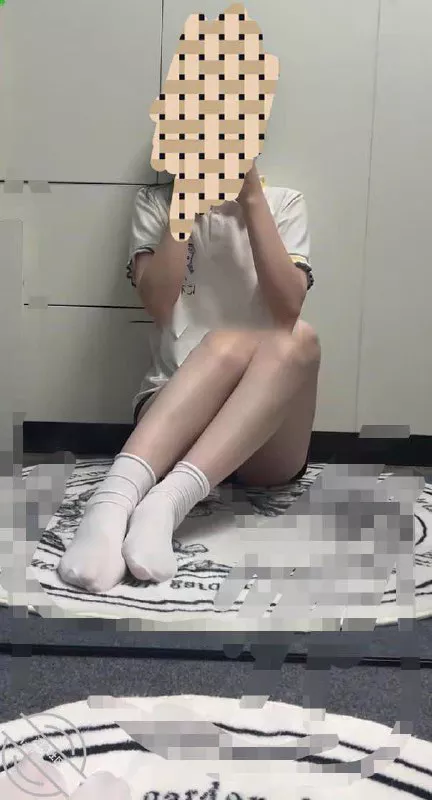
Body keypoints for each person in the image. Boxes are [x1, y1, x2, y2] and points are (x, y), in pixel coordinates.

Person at [58, 161, 321, 593]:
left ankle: (164, 503)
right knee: (226, 343)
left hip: (262, 434)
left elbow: (287, 310)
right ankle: (112, 503)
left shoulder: (283, 202)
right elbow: (159, 305)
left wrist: (251, 197)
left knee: (300, 337)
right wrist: (185, 203)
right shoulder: (155, 202)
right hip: (173, 411)